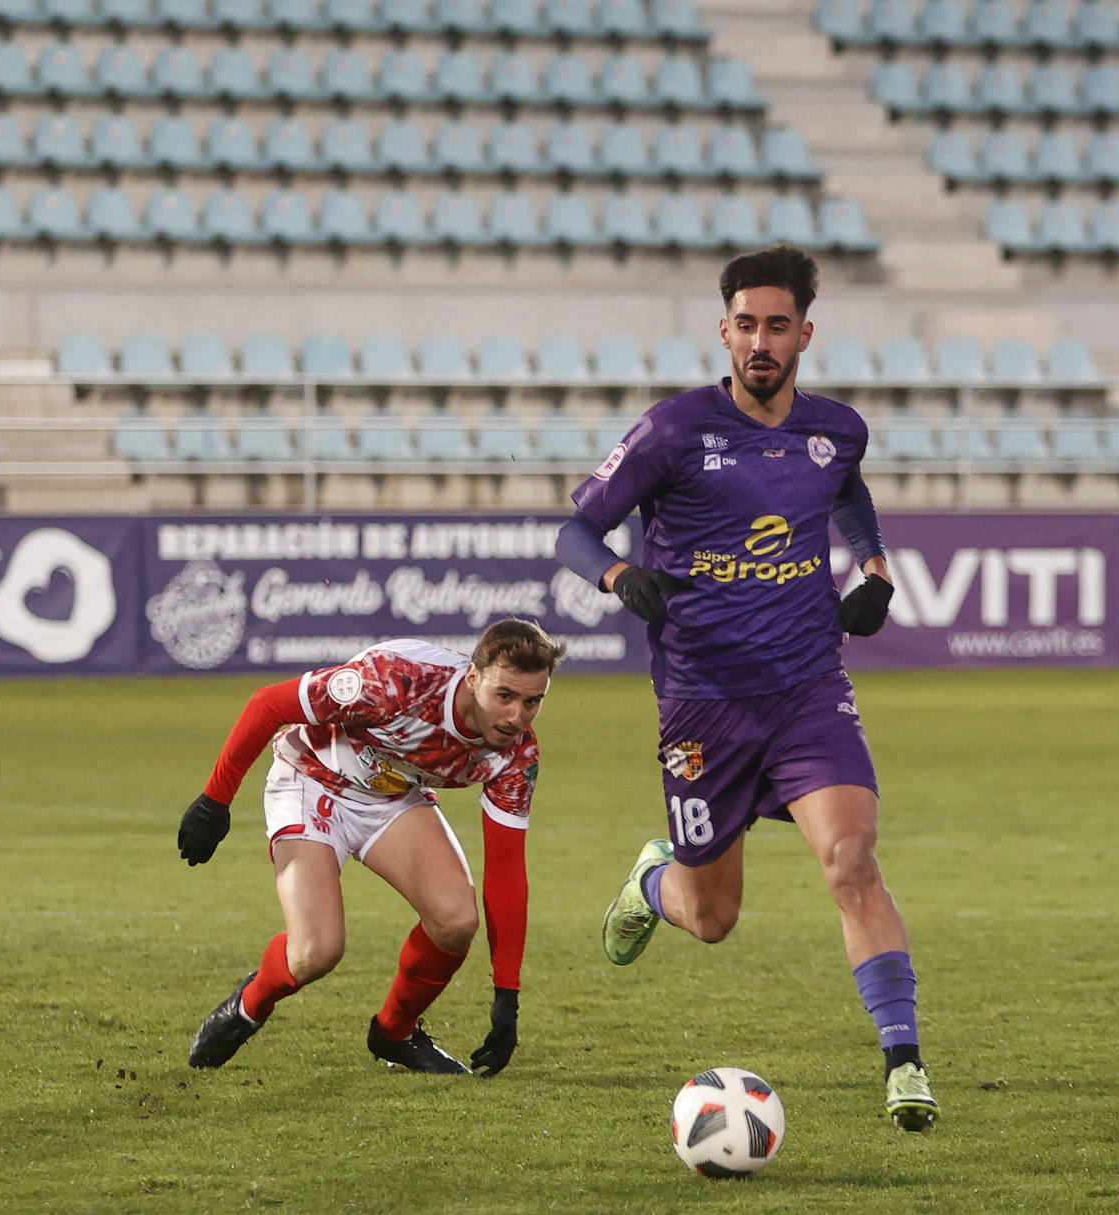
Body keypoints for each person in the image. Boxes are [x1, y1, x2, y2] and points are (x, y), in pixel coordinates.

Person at [555, 244, 938, 1131]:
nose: (759, 341)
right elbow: (576, 530)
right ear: (722, 332)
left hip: (808, 686)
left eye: (776, 325)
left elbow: (848, 494)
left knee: (850, 862)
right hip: (701, 701)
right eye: (744, 325)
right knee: (712, 915)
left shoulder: (836, 428)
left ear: (804, 332)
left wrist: (871, 567)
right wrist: (616, 579)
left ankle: (903, 1060)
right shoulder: (673, 431)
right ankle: (654, 884)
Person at [178, 618, 565, 1076]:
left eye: (532, 702)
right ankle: (249, 1004)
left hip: (390, 796)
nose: (516, 716)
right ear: (474, 677)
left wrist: (507, 995)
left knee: (455, 920)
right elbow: (267, 704)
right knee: (315, 952)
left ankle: (395, 1033)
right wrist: (214, 800)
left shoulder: (517, 756)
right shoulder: (395, 683)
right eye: (505, 696)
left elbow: (505, 871)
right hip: (312, 779)